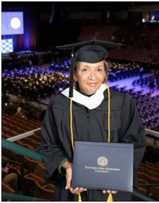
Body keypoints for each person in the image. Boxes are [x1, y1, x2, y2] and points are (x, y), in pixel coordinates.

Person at [39, 44, 145, 201]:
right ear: (74, 75)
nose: (93, 76)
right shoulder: (59, 105)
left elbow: (135, 143)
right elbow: (48, 145)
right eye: (85, 69)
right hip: (73, 191)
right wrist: (66, 166)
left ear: (105, 75)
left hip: (112, 192)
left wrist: (119, 173)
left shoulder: (123, 103)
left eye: (99, 69)